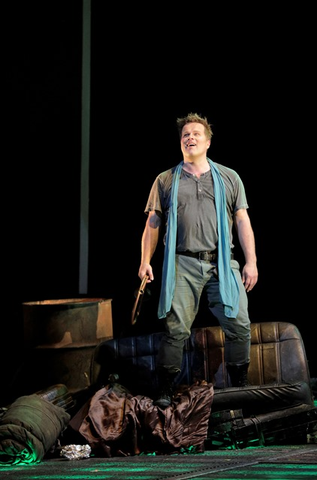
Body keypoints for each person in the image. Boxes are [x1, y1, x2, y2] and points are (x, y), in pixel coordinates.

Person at [138, 112, 258, 409]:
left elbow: (242, 221)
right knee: (175, 327)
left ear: (207, 142)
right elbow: (153, 223)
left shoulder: (229, 178)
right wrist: (145, 261)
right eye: (185, 135)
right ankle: (165, 387)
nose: (189, 137)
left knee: (239, 323)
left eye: (195, 134)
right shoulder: (166, 179)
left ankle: (238, 386)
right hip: (182, 263)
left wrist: (251, 261)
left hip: (222, 263)